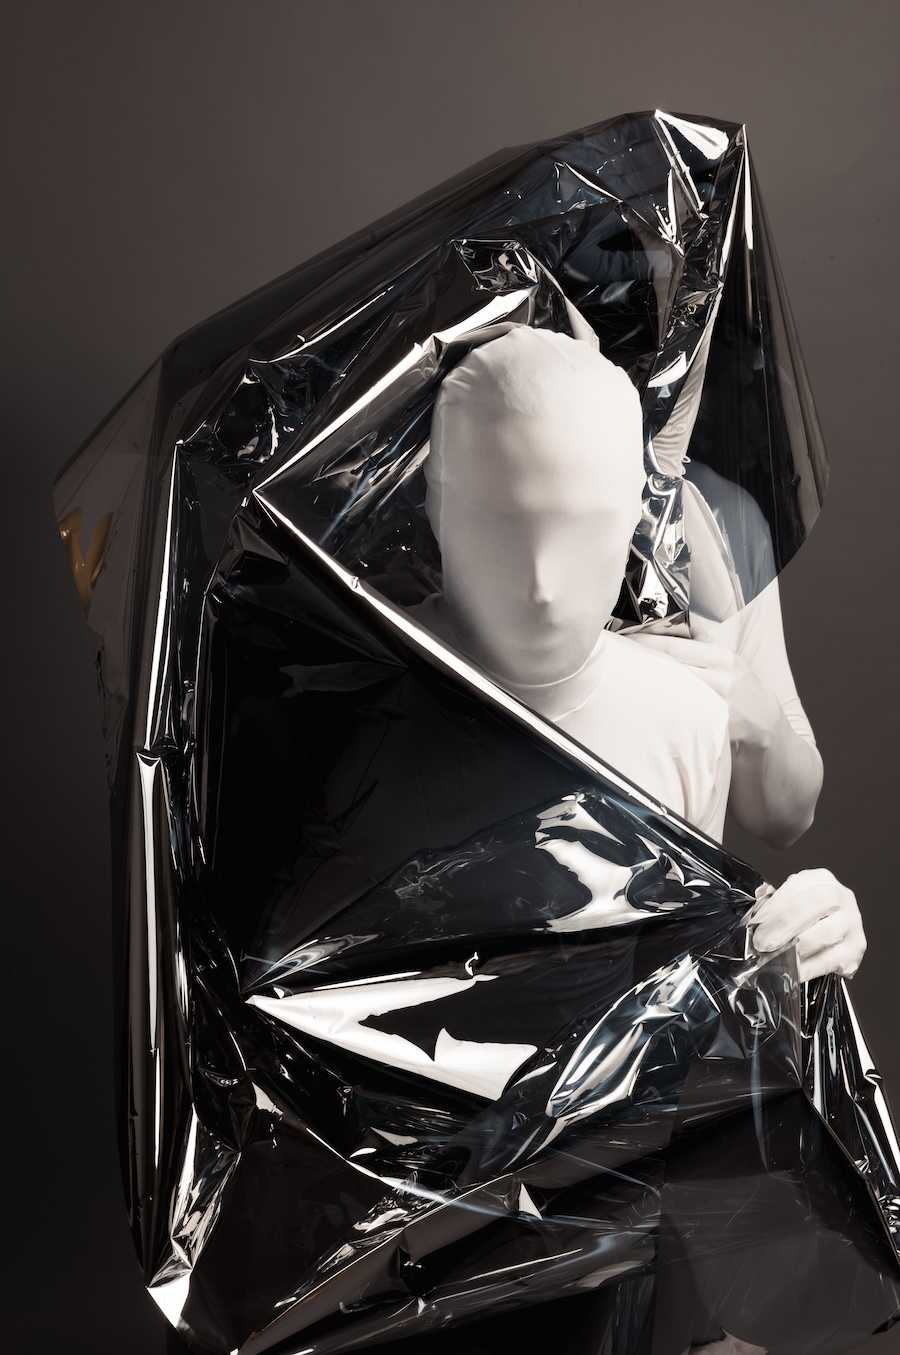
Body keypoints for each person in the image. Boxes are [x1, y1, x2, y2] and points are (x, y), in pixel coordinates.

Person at [415, 326, 864, 985]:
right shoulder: (435, 475)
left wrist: (745, 712)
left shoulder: (716, 524)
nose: (542, 585)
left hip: (623, 974)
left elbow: (783, 820)